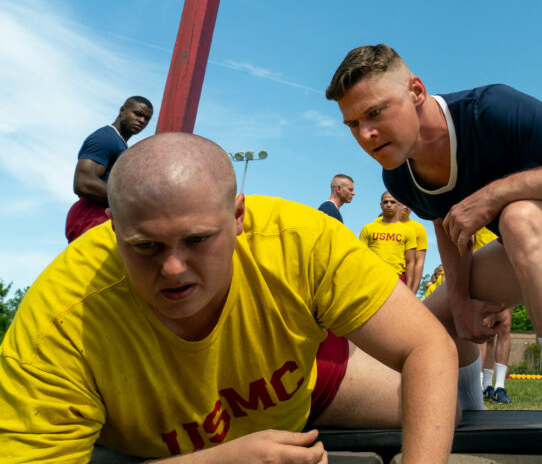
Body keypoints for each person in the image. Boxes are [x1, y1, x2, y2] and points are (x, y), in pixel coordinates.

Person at [0, 133, 457, 462]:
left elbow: (426, 347)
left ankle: (461, 312)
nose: (173, 268)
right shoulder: (61, 319)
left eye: (197, 239)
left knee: (442, 408)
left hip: (298, 386)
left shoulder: (300, 240)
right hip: (157, 439)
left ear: (238, 216)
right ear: (114, 228)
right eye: (146, 246)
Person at [328, 44, 542, 463]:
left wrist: (494, 195)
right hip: (530, 239)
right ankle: (472, 413)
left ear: (416, 91)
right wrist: (460, 300)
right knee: (430, 321)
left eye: (375, 112)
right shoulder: (397, 173)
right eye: (353, 123)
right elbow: (447, 225)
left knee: (518, 216)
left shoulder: (489, 108)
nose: (366, 133)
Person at [66, 96, 154, 242]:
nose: (142, 121)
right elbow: (83, 183)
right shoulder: (106, 138)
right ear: (123, 110)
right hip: (91, 217)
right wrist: (131, 202)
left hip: (107, 219)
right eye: (138, 114)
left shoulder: (120, 144)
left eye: (147, 118)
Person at [473, 227, 514, 404]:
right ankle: (480, 384)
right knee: (485, 331)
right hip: (482, 273)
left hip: (507, 273)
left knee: (504, 328)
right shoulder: (478, 217)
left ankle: (499, 386)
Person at [359, 192, 418, 285]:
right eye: (385, 202)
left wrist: (409, 286)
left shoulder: (409, 231)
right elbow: (361, 257)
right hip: (372, 277)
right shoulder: (368, 228)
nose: (389, 205)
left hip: (397, 278)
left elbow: (410, 262)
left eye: (392, 202)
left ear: (399, 205)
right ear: (381, 205)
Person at [399, 203, 429, 294]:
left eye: (408, 203)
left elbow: (419, 262)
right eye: (402, 202)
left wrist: (414, 290)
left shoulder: (419, 228)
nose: (406, 206)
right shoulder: (379, 224)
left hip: (403, 278)